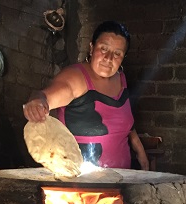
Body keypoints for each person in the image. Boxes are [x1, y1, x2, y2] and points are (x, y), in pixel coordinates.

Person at [23, 20, 149, 171]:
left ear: (123, 58)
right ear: (91, 47)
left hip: (122, 181)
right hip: (84, 186)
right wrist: (37, 102)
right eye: (103, 48)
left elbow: (128, 125)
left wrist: (142, 157)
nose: (108, 58)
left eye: (117, 53)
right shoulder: (76, 78)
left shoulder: (121, 79)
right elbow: (45, 97)